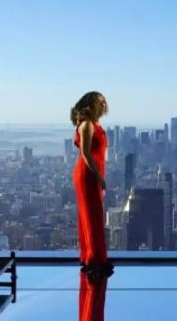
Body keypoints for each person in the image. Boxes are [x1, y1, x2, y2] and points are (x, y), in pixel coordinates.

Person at [71, 91, 113, 280]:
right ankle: (94, 260)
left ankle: (94, 258)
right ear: (93, 104)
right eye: (101, 102)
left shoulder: (95, 125)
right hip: (88, 174)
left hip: (95, 172)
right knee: (91, 215)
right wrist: (98, 177)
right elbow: (86, 154)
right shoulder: (87, 125)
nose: (104, 106)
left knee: (94, 215)